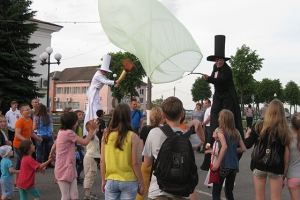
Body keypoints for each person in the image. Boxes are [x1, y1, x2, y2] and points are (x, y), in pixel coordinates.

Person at [142, 96, 204, 199]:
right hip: (181, 192)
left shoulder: (154, 133)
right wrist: (197, 124)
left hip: (158, 190)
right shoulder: (187, 135)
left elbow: (147, 163)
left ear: (163, 115)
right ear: (182, 114)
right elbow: (202, 141)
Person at [202, 35, 244, 171]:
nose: (218, 62)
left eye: (220, 60)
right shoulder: (215, 67)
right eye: (216, 60)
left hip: (228, 98)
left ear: (224, 60)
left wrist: (208, 80)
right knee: (214, 120)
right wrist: (209, 78)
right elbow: (215, 79)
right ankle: (209, 154)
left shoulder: (227, 70)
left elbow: (220, 81)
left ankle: (231, 148)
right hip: (218, 97)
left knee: (226, 121)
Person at [244, 99, 292, 200]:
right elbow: (286, 157)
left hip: (259, 165)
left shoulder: (258, 125)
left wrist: (247, 135)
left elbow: (247, 145)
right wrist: (285, 173)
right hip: (276, 166)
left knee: (260, 196)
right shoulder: (284, 129)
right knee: (276, 197)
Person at [49, 112, 98, 200]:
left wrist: (51, 153)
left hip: (69, 167)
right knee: (66, 197)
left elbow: (55, 144)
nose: (77, 123)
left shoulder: (61, 131)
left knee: (74, 196)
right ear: (71, 123)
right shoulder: (69, 133)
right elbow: (85, 142)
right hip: (64, 167)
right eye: (76, 122)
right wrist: (91, 130)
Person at [100, 103, 145, 199]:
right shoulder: (132, 136)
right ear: (128, 117)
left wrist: (103, 180)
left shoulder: (106, 135)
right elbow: (135, 163)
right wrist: (142, 182)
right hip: (129, 180)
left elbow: (102, 161)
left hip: (111, 179)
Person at [211, 110, 246, 200]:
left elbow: (224, 146)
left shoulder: (220, 130)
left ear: (222, 119)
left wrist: (217, 163)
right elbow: (243, 149)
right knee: (229, 191)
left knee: (216, 191)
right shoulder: (236, 132)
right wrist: (233, 150)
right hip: (234, 165)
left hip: (224, 164)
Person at [83, 54, 120, 136]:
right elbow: (105, 81)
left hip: (96, 91)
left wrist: (114, 82)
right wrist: (114, 82)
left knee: (96, 107)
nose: (105, 73)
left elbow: (106, 80)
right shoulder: (98, 75)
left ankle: (96, 121)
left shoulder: (102, 75)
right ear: (101, 70)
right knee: (95, 107)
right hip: (93, 92)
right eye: (105, 71)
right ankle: (95, 121)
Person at [136, 106, 164, 200]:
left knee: (142, 190)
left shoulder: (145, 129)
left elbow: (143, 147)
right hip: (159, 165)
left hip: (146, 162)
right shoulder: (163, 131)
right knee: (159, 192)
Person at [13, 104, 42, 190]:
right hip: (19, 146)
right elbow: (17, 134)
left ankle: (17, 184)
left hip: (26, 145)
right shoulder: (19, 121)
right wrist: (26, 141)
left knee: (19, 164)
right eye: (27, 110)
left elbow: (31, 133)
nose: (29, 111)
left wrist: (38, 138)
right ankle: (22, 183)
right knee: (24, 164)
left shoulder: (30, 120)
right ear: (22, 112)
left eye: (29, 109)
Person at [83, 120, 100, 200]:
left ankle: (88, 192)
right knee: (89, 175)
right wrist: (94, 129)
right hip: (90, 158)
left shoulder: (93, 135)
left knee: (91, 175)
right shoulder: (91, 135)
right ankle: (87, 194)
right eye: (94, 125)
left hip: (92, 158)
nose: (96, 125)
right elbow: (92, 134)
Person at [286, 113, 300, 200]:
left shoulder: (289, 141)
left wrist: (283, 176)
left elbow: (286, 161)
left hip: (293, 175)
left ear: (292, 126)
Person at [74, 110, 85, 185]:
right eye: (79, 115)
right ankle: (75, 177)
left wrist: (81, 146)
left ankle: (77, 175)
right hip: (76, 147)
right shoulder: (76, 126)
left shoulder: (79, 124)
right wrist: (75, 145)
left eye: (82, 115)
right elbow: (74, 136)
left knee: (82, 162)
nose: (81, 116)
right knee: (79, 162)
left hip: (79, 146)